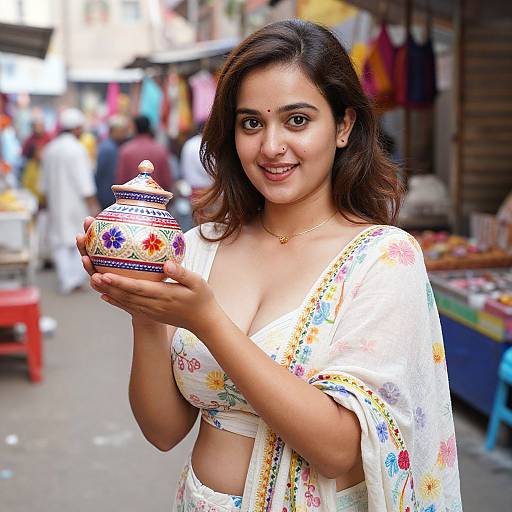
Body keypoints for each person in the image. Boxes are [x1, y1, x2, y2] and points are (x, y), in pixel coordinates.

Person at [77, 20, 462, 512]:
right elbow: (163, 431)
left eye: (297, 120)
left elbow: (337, 448)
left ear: (343, 126)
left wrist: (207, 321)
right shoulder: (201, 248)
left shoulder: (383, 259)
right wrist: (146, 312)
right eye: (251, 123)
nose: (271, 146)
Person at [42, 107, 99, 293]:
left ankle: (66, 279)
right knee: (77, 239)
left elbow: (43, 183)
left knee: (59, 240)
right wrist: (93, 204)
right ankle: (73, 281)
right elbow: (85, 183)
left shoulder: (50, 149)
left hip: (56, 202)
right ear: (76, 128)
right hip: (75, 203)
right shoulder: (76, 149)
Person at [115, 114, 172, 192]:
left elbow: (121, 180)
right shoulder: (161, 150)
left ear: (135, 128)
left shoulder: (126, 150)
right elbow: (167, 181)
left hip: (131, 199)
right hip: (156, 199)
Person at [95, 114, 128, 209]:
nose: (125, 134)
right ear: (113, 131)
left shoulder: (114, 147)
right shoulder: (108, 149)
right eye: (122, 131)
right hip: (107, 195)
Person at [180, 123, 213, 201]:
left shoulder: (189, 143)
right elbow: (207, 168)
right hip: (205, 190)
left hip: (192, 189)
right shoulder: (204, 144)